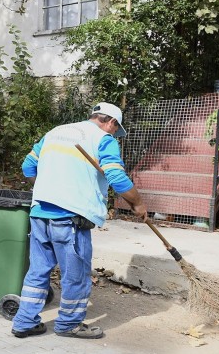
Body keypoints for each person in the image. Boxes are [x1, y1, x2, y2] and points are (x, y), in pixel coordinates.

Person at [11, 102, 148, 340]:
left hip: (40, 213)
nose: (114, 133)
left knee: (38, 270)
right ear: (111, 122)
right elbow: (115, 175)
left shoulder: (55, 132)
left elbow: (28, 166)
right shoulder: (103, 139)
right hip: (70, 217)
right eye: (116, 129)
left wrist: (48, 189)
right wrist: (137, 203)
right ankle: (69, 324)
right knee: (76, 274)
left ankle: (24, 322)